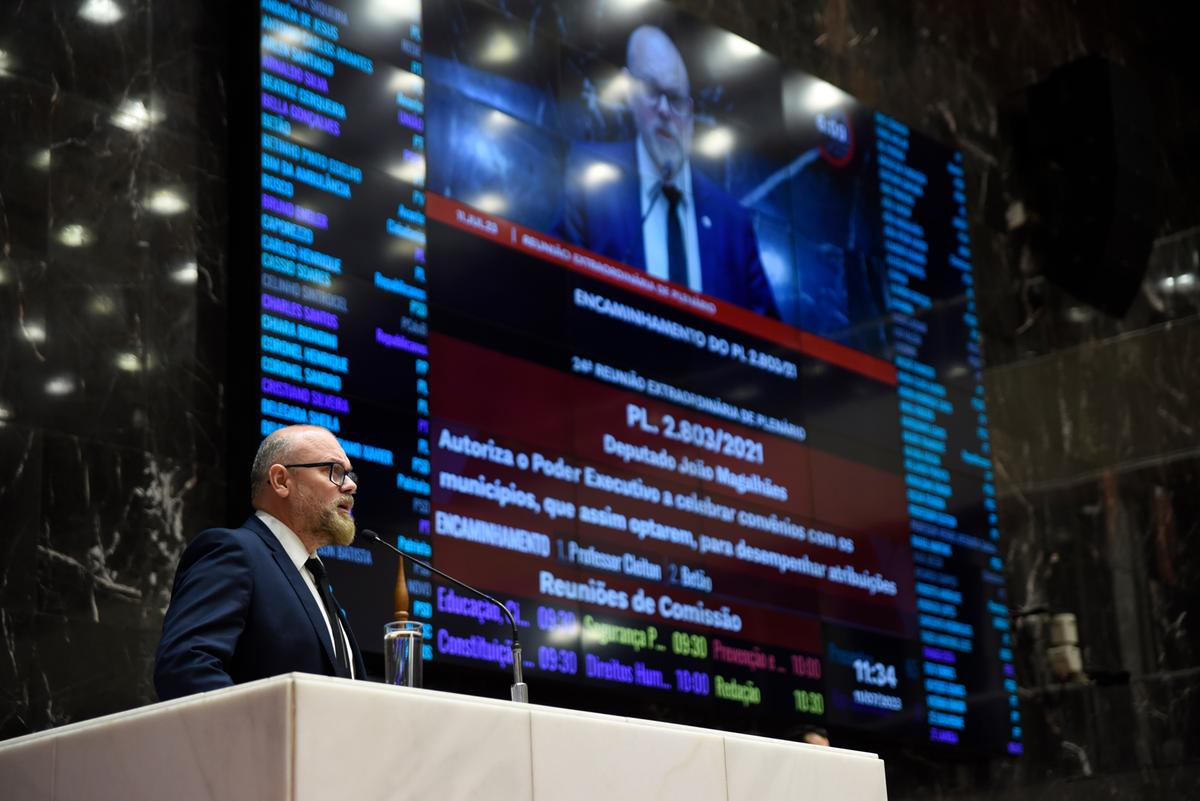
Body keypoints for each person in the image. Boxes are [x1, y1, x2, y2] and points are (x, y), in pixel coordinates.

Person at [560, 25, 780, 319]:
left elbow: (770, 342)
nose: (664, 110)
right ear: (629, 92)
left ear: (689, 112)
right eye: (652, 92)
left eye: (675, 99)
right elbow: (557, 290)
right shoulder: (590, 176)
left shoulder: (733, 224)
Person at [154, 424, 367, 700]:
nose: (350, 485)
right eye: (334, 471)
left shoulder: (315, 578)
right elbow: (186, 666)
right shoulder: (235, 552)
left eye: (349, 474)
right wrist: (264, 738)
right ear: (281, 480)